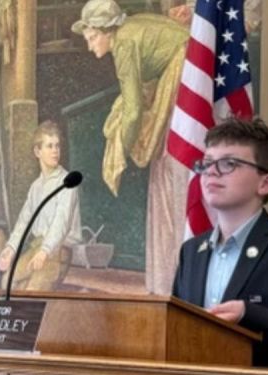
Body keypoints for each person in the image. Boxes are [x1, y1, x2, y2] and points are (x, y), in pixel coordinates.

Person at [172, 118, 268, 367]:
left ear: (265, 183)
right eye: (207, 163)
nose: (211, 171)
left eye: (228, 163)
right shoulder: (191, 251)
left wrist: (250, 315)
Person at [72, 0, 189, 295]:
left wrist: (120, 149)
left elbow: (135, 109)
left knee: (163, 154)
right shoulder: (132, 27)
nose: (90, 47)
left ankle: (171, 275)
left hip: (184, 71)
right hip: (185, 62)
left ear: (105, 31)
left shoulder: (123, 44)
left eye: (91, 38)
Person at [0, 120, 82, 291]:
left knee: (32, 292)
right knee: (7, 283)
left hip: (58, 252)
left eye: (57, 146)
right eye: (49, 146)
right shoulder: (36, 186)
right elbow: (24, 222)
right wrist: (11, 248)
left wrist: (45, 251)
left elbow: (61, 221)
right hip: (36, 248)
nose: (55, 151)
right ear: (38, 151)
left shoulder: (68, 181)